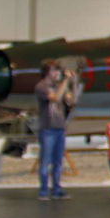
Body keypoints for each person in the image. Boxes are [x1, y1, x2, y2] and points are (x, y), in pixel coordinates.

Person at [32, 59, 76, 201]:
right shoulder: (41, 86)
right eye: (54, 70)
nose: (57, 73)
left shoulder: (59, 85)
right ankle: (44, 190)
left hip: (59, 127)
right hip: (47, 128)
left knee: (58, 161)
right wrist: (65, 82)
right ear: (47, 72)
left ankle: (57, 188)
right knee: (45, 160)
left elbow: (71, 101)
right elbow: (55, 98)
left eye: (57, 70)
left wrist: (72, 83)